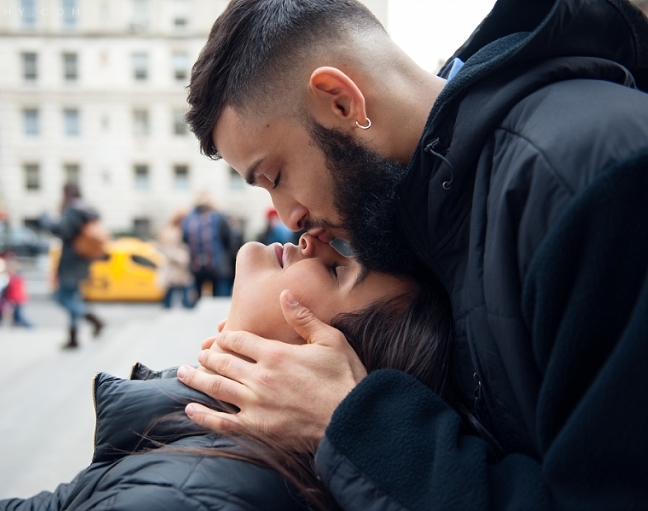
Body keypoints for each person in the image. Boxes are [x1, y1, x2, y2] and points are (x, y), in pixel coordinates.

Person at [177, 0, 648, 509]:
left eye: (275, 176)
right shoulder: (433, 212)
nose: (288, 216)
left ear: (340, 101)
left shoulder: (583, 176)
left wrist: (359, 424)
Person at [0, 235, 452, 511]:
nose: (309, 237)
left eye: (339, 268)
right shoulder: (208, 456)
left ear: (317, 363)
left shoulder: (196, 495)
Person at [40, 182, 105, 349]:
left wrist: (45, 218)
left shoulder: (73, 210)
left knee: (61, 297)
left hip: (70, 264)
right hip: (81, 262)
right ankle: (73, 338)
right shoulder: (85, 209)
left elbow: (61, 229)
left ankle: (94, 320)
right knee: (73, 298)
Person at [181, 192, 233, 298]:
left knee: (197, 295)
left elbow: (184, 239)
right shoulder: (218, 217)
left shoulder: (188, 219)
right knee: (218, 296)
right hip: (216, 263)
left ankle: (197, 312)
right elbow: (227, 239)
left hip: (196, 264)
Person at [157, 210, 196, 309]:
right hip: (174, 268)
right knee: (171, 294)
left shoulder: (184, 230)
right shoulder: (171, 231)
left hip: (182, 270)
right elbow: (169, 250)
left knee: (185, 293)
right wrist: (183, 258)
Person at [1, 254, 33, 328]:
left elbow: (14, 290)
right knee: (16, 315)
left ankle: (31, 327)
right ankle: (16, 328)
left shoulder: (15, 278)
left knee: (18, 316)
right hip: (17, 298)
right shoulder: (17, 277)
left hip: (17, 298)